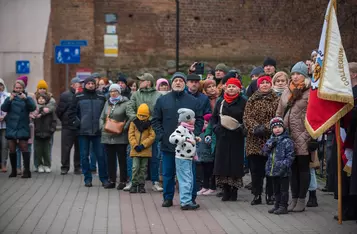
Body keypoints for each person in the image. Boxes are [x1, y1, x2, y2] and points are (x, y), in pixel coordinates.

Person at [152, 72, 204, 207]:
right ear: (171, 83)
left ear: (185, 83)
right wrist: (161, 136)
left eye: (181, 80)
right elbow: (156, 120)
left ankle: (190, 198)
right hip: (168, 143)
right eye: (175, 81)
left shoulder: (193, 101)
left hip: (187, 146)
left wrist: (194, 134)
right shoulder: (162, 100)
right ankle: (168, 198)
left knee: (189, 173)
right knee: (168, 173)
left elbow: (199, 119)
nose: (178, 83)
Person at [276, 61, 314, 212]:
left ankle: (302, 199)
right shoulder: (287, 91)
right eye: (293, 73)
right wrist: (277, 128)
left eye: (299, 74)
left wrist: (309, 136)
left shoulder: (310, 91)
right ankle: (294, 198)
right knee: (292, 168)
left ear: (305, 76)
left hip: (304, 135)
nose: (295, 76)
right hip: (287, 136)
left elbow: (313, 115)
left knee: (303, 168)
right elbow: (279, 112)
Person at [244, 75, 280, 205]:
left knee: (270, 169)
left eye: (267, 82)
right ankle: (257, 194)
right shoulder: (251, 100)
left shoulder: (276, 99)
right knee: (255, 171)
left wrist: (265, 128)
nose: (265, 85)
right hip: (253, 139)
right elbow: (246, 116)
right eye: (262, 83)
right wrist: (255, 127)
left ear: (271, 85)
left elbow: (277, 116)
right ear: (258, 85)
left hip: (269, 139)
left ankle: (270, 195)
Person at [69, 77, 109, 187]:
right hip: (83, 132)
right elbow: (72, 112)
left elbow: (106, 112)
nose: (91, 85)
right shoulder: (78, 96)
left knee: (101, 156)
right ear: (85, 85)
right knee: (84, 156)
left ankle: (104, 179)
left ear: (95, 85)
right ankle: (87, 179)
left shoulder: (101, 97)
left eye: (92, 83)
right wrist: (78, 123)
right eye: (88, 83)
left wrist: (104, 125)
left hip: (98, 131)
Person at [210, 78, 247, 201]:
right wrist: (216, 129)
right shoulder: (221, 101)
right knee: (222, 164)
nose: (231, 88)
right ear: (225, 88)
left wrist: (242, 130)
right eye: (229, 86)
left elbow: (246, 118)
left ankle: (234, 190)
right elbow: (214, 118)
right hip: (223, 137)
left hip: (237, 137)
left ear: (239, 88)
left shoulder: (243, 101)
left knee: (235, 164)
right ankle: (225, 190)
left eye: (234, 86)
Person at [126, 73, 163, 192]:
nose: (139, 82)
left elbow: (159, 111)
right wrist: (136, 120)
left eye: (141, 80)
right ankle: (132, 181)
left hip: (152, 128)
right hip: (136, 128)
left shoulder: (158, 95)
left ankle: (155, 181)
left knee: (155, 156)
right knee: (132, 154)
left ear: (148, 82)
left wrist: (150, 121)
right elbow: (129, 108)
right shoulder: (135, 94)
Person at [1, 80, 36, 178]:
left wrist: (26, 99)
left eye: (20, 88)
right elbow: (3, 108)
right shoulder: (9, 98)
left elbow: (33, 108)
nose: (18, 90)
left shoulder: (27, 98)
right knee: (11, 148)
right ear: (14, 88)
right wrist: (9, 100)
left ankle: (27, 171)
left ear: (23, 88)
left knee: (24, 147)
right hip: (11, 125)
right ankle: (14, 171)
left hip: (22, 125)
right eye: (16, 88)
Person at [100, 84, 130, 189]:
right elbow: (102, 117)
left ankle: (123, 181)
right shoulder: (107, 103)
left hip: (120, 136)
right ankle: (111, 180)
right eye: (111, 91)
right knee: (110, 160)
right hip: (107, 136)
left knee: (122, 159)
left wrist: (124, 128)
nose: (113, 93)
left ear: (119, 92)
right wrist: (102, 127)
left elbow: (130, 117)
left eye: (115, 91)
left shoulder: (126, 103)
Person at [169, 108, 200, 210]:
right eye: (193, 117)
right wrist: (185, 139)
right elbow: (172, 138)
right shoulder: (181, 128)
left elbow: (189, 140)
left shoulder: (189, 129)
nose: (194, 119)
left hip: (188, 158)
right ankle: (185, 202)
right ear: (187, 119)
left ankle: (187, 200)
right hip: (182, 159)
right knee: (185, 180)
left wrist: (194, 139)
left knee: (189, 179)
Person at [263, 117, 295, 215]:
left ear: (283, 128)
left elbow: (291, 156)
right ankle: (277, 205)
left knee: (283, 190)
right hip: (273, 170)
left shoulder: (287, 141)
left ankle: (283, 206)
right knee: (275, 189)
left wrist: (284, 165)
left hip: (283, 171)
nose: (277, 129)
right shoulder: (271, 140)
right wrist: (269, 146)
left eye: (279, 127)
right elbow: (264, 152)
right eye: (275, 127)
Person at [56, 77, 82, 175]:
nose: (80, 85)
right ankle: (65, 167)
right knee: (66, 148)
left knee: (79, 148)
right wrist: (65, 120)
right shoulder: (65, 95)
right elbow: (59, 111)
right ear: (72, 85)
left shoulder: (82, 95)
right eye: (78, 83)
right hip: (67, 126)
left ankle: (78, 167)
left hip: (79, 126)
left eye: (80, 83)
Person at [128, 103, 155, 193]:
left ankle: (141, 185)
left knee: (143, 168)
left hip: (145, 149)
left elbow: (152, 136)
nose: (142, 117)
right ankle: (134, 184)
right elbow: (131, 135)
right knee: (135, 167)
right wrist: (135, 145)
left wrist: (143, 145)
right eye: (140, 115)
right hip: (135, 149)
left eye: (144, 115)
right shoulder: (133, 123)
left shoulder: (150, 124)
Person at [33, 93, 57, 173]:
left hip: (47, 133)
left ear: (46, 100)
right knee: (38, 151)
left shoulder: (49, 109)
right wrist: (34, 130)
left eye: (43, 98)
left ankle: (47, 165)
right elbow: (32, 121)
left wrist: (51, 130)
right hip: (37, 134)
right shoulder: (35, 110)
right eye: (39, 98)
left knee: (46, 151)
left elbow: (54, 121)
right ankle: (39, 165)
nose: (41, 100)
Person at [196, 113, 216, 196]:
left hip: (210, 157)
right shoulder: (201, 133)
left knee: (210, 172)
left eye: (206, 123)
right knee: (204, 173)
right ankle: (205, 186)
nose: (204, 125)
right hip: (202, 157)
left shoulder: (210, 135)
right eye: (203, 123)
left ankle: (212, 187)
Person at [0, 78, 9, 172]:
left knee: (4, 145)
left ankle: (4, 164)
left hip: (5, 125)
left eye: (1, 85)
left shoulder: (7, 96)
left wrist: (4, 117)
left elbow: (10, 108)